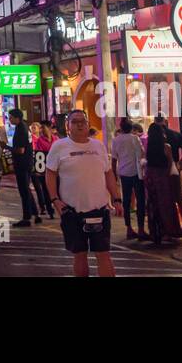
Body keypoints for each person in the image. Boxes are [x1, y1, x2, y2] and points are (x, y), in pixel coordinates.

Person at [45, 109, 122, 276]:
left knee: (104, 254)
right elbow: (50, 174)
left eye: (83, 121)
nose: (80, 125)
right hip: (72, 211)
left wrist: (117, 199)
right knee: (79, 255)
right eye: (75, 121)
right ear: (68, 126)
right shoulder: (59, 146)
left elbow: (108, 173)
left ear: (88, 125)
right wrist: (55, 200)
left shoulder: (98, 146)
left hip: (99, 209)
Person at [143, 122, 181, 245]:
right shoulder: (166, 147)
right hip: (163, 178)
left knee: (154, 204)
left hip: (151, 178)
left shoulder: (149, 147)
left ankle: (155, 231)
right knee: (167, 204)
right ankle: (169, 231)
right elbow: (170, 163)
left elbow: (146, 162)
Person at [111, 117, 146, 239]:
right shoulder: (135, 138)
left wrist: (114, 175)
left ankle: (129, 228)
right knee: (140, 200)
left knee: (126, 201)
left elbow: (114, 159)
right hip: (137, 173)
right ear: (131, 128)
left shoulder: (116, 140)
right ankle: (141, 229)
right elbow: (141, 153)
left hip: (124, 173)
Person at [7, 108, 39, 227]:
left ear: (17, 118)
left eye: (11, 117)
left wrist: (6, 147)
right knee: (26, 189)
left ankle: (26, 218)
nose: (9, 120)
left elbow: (20, 150)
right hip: (27, 163)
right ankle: (36, 214)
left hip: (22, 164)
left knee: (24, 190)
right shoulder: (25, 127)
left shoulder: (21, 129)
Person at [31, 122, 57, 219]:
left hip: (56, 169)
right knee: (46, 190)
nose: (42, 130)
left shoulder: (56, 139)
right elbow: (39, 155)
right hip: (45, 169)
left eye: (44, 128)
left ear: (49, 128)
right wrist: (39, 170)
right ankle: (50, 210)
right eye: (41, 128)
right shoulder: (40, 141)